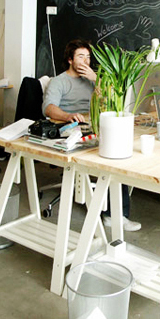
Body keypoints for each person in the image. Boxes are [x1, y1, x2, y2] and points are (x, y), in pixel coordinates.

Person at [42, 39, 141, 232]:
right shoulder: (59, 81)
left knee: (120, 148)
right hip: (70, 128)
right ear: (70, 60)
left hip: (94, 124)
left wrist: (97, 79)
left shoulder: (91, 79)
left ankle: (117, 211)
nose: (86, 61)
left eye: (88, 57)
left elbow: (113, 96)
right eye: (81, 56)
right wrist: (68, 115)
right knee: (113, 156)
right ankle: (114, 215)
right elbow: (49, 108)